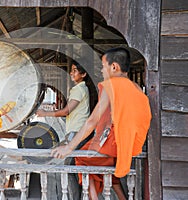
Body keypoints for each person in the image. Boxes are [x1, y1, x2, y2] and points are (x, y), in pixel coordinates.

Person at [51, 47, 152, 200]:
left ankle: (93, 198)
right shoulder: (136, 88)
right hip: (132, 144)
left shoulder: (112, 85)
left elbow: (92, 121)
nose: (102, 71)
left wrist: (68, 147)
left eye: (104, 67)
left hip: (115, 142)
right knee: (104, 163)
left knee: (82, 158)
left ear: (114, 67)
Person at [36, 60, 91, 200]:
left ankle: (74, 197)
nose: (71, 73)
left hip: (76, 132)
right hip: (78, 131)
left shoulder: (79, 89)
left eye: (75, 70)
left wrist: (45, 114)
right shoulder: (81, 89)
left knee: (69, 168)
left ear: (83, 74)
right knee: (73, 167)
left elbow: (66, 111)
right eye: (71, 70)